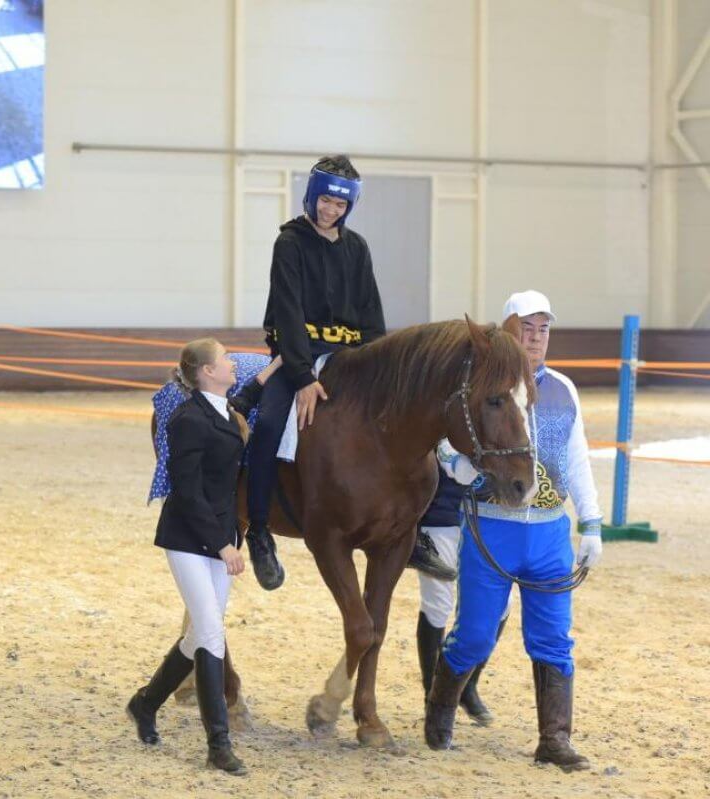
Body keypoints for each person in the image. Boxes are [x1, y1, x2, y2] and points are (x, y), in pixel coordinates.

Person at [425, 290, 604, 772]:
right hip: (492, 528)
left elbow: (577, 457)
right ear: (506, 330)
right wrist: (458, 465)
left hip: (549, 532)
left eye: (543, 328)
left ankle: (554, 738)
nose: (536, 337)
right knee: (476, 636)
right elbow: (445, 442)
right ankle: (439, 715)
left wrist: (591, 522)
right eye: (527, 328)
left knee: (553, 638)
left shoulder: (564, 389)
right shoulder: (482, 385)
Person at [246, 155, 386, 590]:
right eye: (325, 200)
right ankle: (258, 530)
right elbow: (287, 312)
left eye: (339, 206)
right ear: (312, 195)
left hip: (348, 360)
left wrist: (377, 364)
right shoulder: (289, 243)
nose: (330, 211)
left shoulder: (357, 247)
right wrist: (304, 377)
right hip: (296, 357)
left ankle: (407, 526)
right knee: (269, 424)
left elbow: (371, 313)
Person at [127, 338, 248, 776]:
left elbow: (247, 397)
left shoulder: (224, 408)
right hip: (188, 539)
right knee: (212, 633)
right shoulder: (187, 420)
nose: (234, 363)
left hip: (219, 537)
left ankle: (145, 703)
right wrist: (224, 544)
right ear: (207, 372)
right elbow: (188, 490)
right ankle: (219, 744)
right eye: (226, 359)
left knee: (199, 633)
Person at [414, 440, 508, 726]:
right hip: (440, 513)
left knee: (501, 607)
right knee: (438, 604)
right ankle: (433, 696)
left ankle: (467, 685)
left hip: (486, 515)